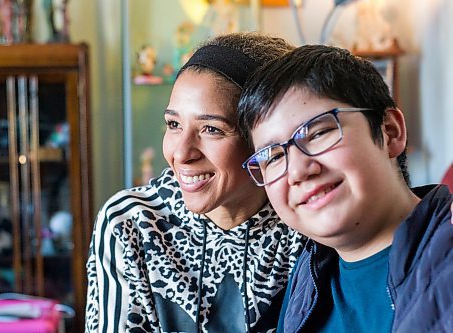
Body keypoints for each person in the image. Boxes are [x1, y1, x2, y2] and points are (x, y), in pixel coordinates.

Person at [85, 32, 306, 333]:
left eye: (212, 129)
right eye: (174, 124)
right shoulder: (132, 224)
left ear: (265, 140)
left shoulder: (305, 222)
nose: (181, 153)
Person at [238, 44, 452, 332]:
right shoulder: (308, 276)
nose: (298, 171)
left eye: (319, 133)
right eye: (274, 157)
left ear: (390, 131)